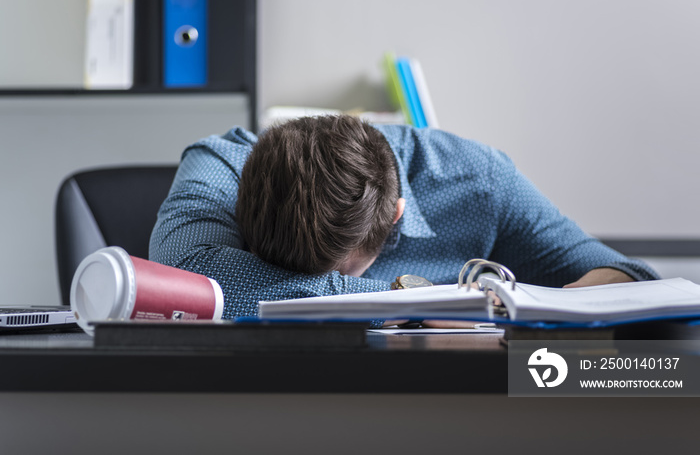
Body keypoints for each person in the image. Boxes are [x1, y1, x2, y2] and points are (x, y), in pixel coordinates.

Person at [149, 115, 658, 322]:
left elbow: (624, 274)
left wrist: (553, 309)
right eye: (282, 273)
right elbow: (184, 271)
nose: (314, 291)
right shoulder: (222, 165)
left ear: (394, 219)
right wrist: (413, 301)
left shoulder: (478, 181)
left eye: (341, 271)